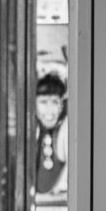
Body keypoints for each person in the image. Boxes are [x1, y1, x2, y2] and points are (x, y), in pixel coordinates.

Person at [35, 70, 68, 198]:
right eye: (43, 102)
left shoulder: (65, 128)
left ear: (61, 106)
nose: (49, 109)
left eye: (54, 102)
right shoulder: (31, 128)